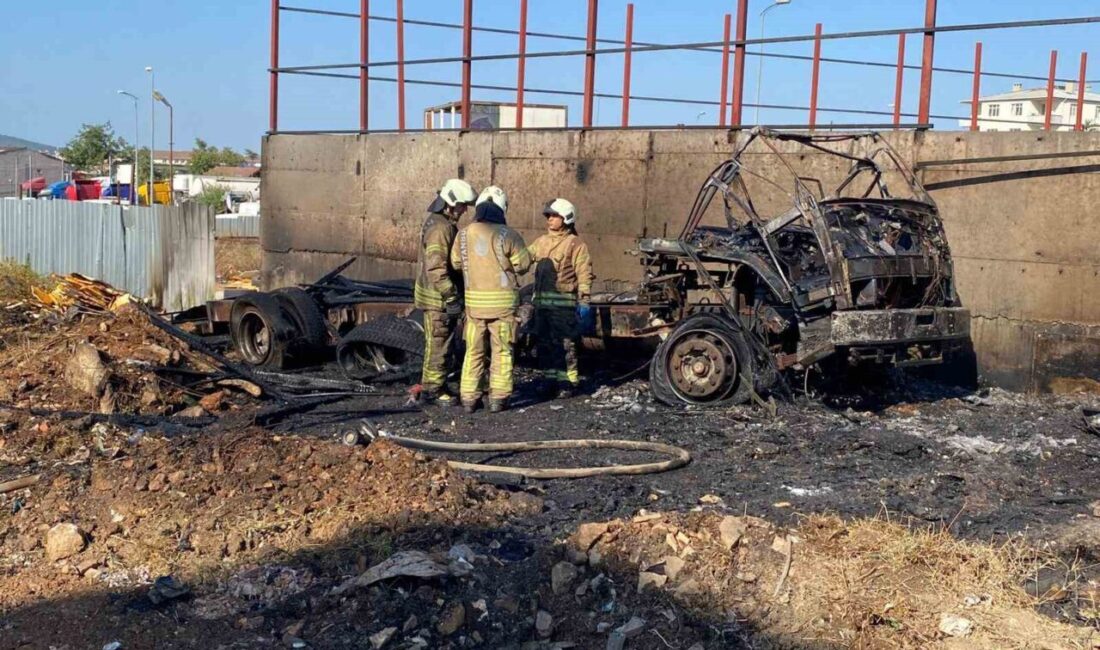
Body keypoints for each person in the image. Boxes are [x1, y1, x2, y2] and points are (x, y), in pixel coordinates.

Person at [450, 185, 533, 413]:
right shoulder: (509, 234)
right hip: (503, 307)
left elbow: (456, 263)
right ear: (502, 208)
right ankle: (498, 399)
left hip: (474, 307)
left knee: (473, 351)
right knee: (502, 351)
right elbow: (523, 265)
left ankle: (469, 399)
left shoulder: (463, 234)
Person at [414, 178, 476, 405]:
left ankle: (437, 383)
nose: (464, 210)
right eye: (462, 205)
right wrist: (451, 296)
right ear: (450, 203)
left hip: (436, 297)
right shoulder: (441, 229)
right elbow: (436, 268)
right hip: (438, 299)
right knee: (439, 345)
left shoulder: (438, 223)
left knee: (442, 343)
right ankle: (433, 390)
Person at [528, 198, 593, 399]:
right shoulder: (541, 242)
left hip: (563, 306)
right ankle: (549, 379)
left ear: (566, 218)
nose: (550, 219)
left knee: (565, 344)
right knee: (544, 343)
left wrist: (584, 301)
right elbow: (523, 258)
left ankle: (568, 382)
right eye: (548, 216)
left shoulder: (575, 244)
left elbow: (584, 273)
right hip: (542, 306)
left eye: (554, 216)